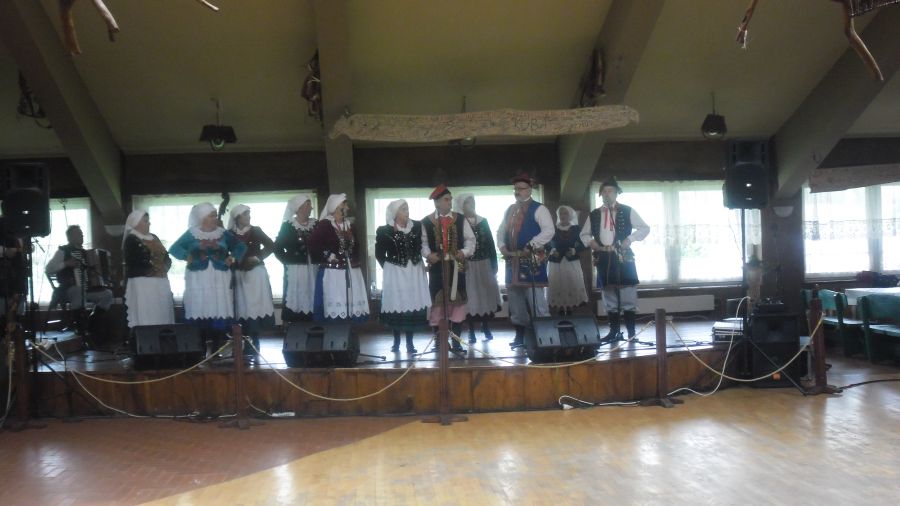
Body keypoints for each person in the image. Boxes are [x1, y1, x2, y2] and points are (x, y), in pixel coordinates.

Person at [169, 203, 247, 354]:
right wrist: (186, 256)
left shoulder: (223, 234)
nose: (215, 218)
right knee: (200, 308)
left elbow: (240, 247)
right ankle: (200, 349)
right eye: (212, 215)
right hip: (197, 278)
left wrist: (232, 258)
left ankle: (217, 349)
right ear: (202, 217)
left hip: (219, 277)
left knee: (218, 310)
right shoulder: (191, 234)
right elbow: (174, 248)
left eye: (215, 215)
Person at [580, 178, 650, 341]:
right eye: (604, 191)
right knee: (609, 295)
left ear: (617, 193)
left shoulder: (627, 210)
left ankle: (631, 333)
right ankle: (614, 332)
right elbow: (583, 234)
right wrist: (591, 242)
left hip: (623, 256)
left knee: (628, 294)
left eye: (610, 191)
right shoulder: (594, 214)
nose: (607, 194)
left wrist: (629, 239)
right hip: (603, 257)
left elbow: (645, 228)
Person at [497, 174, 554, 349]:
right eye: (516, 189)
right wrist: (502, 246)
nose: (517, 192)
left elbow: (549, 231)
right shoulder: (510, 210)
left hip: (531, 261)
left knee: (536, 300)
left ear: (529, 190)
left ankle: (544, 336)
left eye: (521, 189)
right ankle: (520, 336)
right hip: (512, 261)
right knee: (515, 301)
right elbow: (500, 231)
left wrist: (531, 245)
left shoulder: (539, 209)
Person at [422, 184, 475, 354]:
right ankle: (439, 342)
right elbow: (423, 243)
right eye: (446, 199)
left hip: (456, 267)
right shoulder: (426, 221)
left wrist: (463, 252)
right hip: (437, 268)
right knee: (437, 305)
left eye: (450, 199)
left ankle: (456, 342)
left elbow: (470, 240)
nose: (450, 202)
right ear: (436, 202)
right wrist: (428, 254)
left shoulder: (460, 219)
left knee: (457, 305)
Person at [375, 199, 430, 353]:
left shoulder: (417, 226)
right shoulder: (384, 230)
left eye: (407, 208)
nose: (407, 212)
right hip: (395, 274)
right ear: (395, 213)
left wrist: (427, 258)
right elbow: (379, 254)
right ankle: (396, 341)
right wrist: (389, 268)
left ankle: (410, 343)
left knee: (411, 306)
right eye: (403, 209)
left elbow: (423, 246)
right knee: (397, 305)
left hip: (414, 273)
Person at [309, 194, 369, 321]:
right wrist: (328, 255)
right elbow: (313, 245)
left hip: (351, 272)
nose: (347, 207)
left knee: (351, 306)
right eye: (344, 204)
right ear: (336, 207)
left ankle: (351, 331)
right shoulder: (325, 225)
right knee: (335, 304)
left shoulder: (350, 226)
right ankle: (335, 330)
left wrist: (355, 262)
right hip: (333, 273)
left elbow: (357, 247)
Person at [45, 225, 113, 335]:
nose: (82, 236)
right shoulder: (63, 251)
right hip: (68, 289)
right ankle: (80, 327)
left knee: (108, 294)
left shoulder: (87, 254)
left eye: (81, 234)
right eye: (78, 234)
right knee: (78, 290)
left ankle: (91, 322)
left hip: (86, 290)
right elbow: (48, 269)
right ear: (70, 237)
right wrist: (66, 263)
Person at [454, 193, 501, 343]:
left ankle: (485, 326)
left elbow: (490, 243)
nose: (472, 204)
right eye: (468, 202)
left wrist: (494, 264)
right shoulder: (458, 223)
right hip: (468, 265)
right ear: (461, 205)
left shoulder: (483, 221)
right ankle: (471, 330)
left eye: (473, 201)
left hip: (484, 264)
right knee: (471, 298)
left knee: (485, 296)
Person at [228, 204, 275, 354]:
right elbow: (225, 252)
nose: (249, 217)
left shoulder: (256, 231)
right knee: (242, 307)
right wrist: (232, 260)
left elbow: (271, 245)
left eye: (249, 214)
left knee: (255, 306)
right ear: (237, 218)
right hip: (239, 275)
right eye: (246, 214)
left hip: (256, 275)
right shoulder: (229, 234)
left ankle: (255, 340)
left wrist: (257, 257)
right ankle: (243, 340)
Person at [122, 210, 174, 328]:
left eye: (148, 221)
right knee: (147, 312)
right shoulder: (131, 239)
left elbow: (166, 256)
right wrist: (151, 270)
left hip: (161, 282)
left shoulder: (154, 237)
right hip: (143, 284)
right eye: (145, 221)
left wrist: (165, 266)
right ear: (135, 223)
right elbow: (132, 262)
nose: (149, 223)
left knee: (162, 312)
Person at [274, 194, 318, 322]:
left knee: (313, 293)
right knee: (296, 295)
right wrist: (289, 262)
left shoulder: (316, 224)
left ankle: (313, 322)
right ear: (298, 208)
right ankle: (295, 323)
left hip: (314, 268)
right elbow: (277, 248)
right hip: (295, 270)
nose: (311, 208)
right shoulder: (288, 226)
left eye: (310, 205)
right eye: (308, 205)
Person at [548, 205, 588, 315]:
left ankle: (570, 308)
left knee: (571, 283)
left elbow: (585, 243)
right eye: (561, 213)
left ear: (570, 215)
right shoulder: (552, 229)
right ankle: (560, 309)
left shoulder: (577, 229)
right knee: (557, 283)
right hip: (556, 262)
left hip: (572, 262)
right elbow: (545, 242)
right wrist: (552, 250)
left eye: (565, 213)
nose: (563, 216)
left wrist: (575, 250)